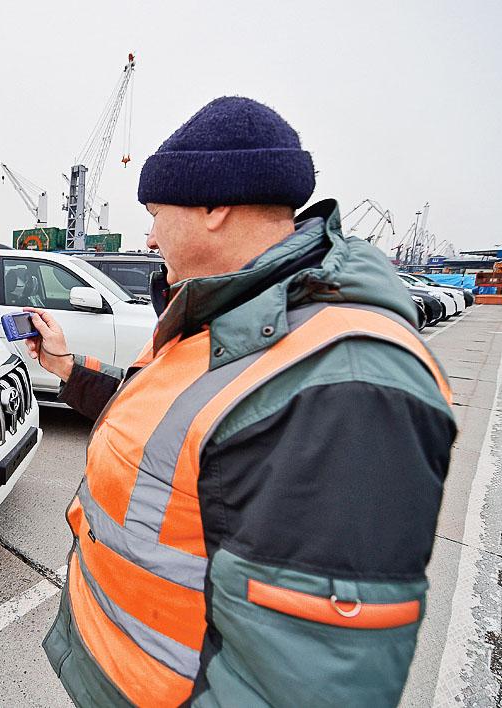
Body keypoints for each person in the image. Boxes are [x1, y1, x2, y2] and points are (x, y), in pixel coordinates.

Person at [32, 97, 456, 707]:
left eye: (155, 214)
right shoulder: (229, 315)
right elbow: (168, 426)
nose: (149, 237)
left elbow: (303, 682)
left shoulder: (342, 384)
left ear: (213, 207)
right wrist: (69, 369)